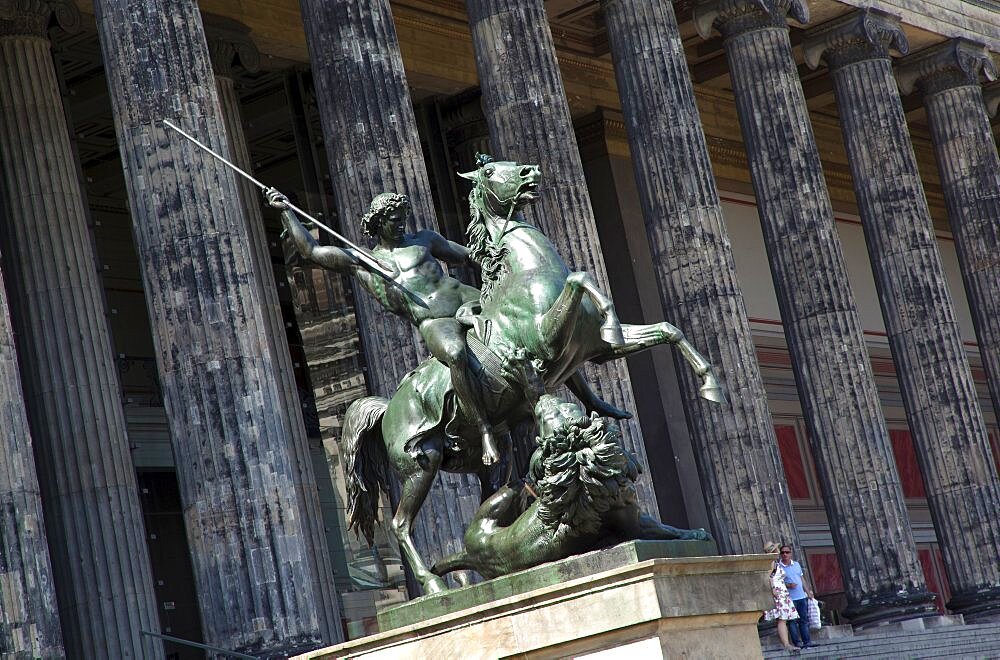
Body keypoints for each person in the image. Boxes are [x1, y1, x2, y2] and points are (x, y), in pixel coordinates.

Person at [268, 188, 502, 465]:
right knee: (454, 354)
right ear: (378, 222)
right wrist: (286, 212)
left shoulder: (424, 240)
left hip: (469, 298)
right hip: (436, 321)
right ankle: (484, 429)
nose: (401, 223)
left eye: (403, 217)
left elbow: (466, 256)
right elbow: (312, 251)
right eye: (393, 219)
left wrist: (498, 249)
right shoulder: (364, 262)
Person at [763, 541, 801, 653]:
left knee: (783, 619)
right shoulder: (770, 563)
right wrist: (773, 589)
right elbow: (768, 576)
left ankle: (786, 643)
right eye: (777, 549)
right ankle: (786, 643)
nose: (779, 551)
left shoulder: (775, 562)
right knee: (782, 619)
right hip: (777, 592)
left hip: (782, 592)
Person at [780, 543, 814, 649]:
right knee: (792, 622)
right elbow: (777, 582)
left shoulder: (797, 564)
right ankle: (797, 642)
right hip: (789, 598)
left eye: (787, 552)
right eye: (783, 552)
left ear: (791, 553)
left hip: (801, 597)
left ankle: (807, 641)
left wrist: (808, 592)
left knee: (804, 620)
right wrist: (788, 585)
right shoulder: (779, 567)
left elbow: (802, 579)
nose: (785, 554)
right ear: (780, 554)